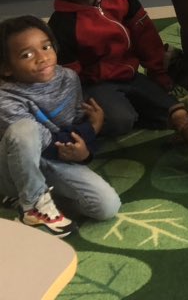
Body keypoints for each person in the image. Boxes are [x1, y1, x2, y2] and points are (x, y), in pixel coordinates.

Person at [38, 0, 184, 137]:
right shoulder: (62, 23)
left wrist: (157, 70)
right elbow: (69, 74)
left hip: (131, 73)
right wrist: (79, 104)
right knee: (121, 121)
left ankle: (135, 107)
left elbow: (144, 32)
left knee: (174, 109)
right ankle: (115, 113)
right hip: (97, 84)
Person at [0, 16, 121, 237]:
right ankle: (32, 204)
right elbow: (45, 143)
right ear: (7, 69)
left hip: (55, 157)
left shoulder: (68, 77)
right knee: (25, 129)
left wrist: (84, 150)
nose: (42, 57)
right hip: (20, 161)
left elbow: (76, 122)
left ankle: (30, 195)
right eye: (27, 55)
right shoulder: (5, 97)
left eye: (46, 46)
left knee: (107, 206)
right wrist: (93, 128)